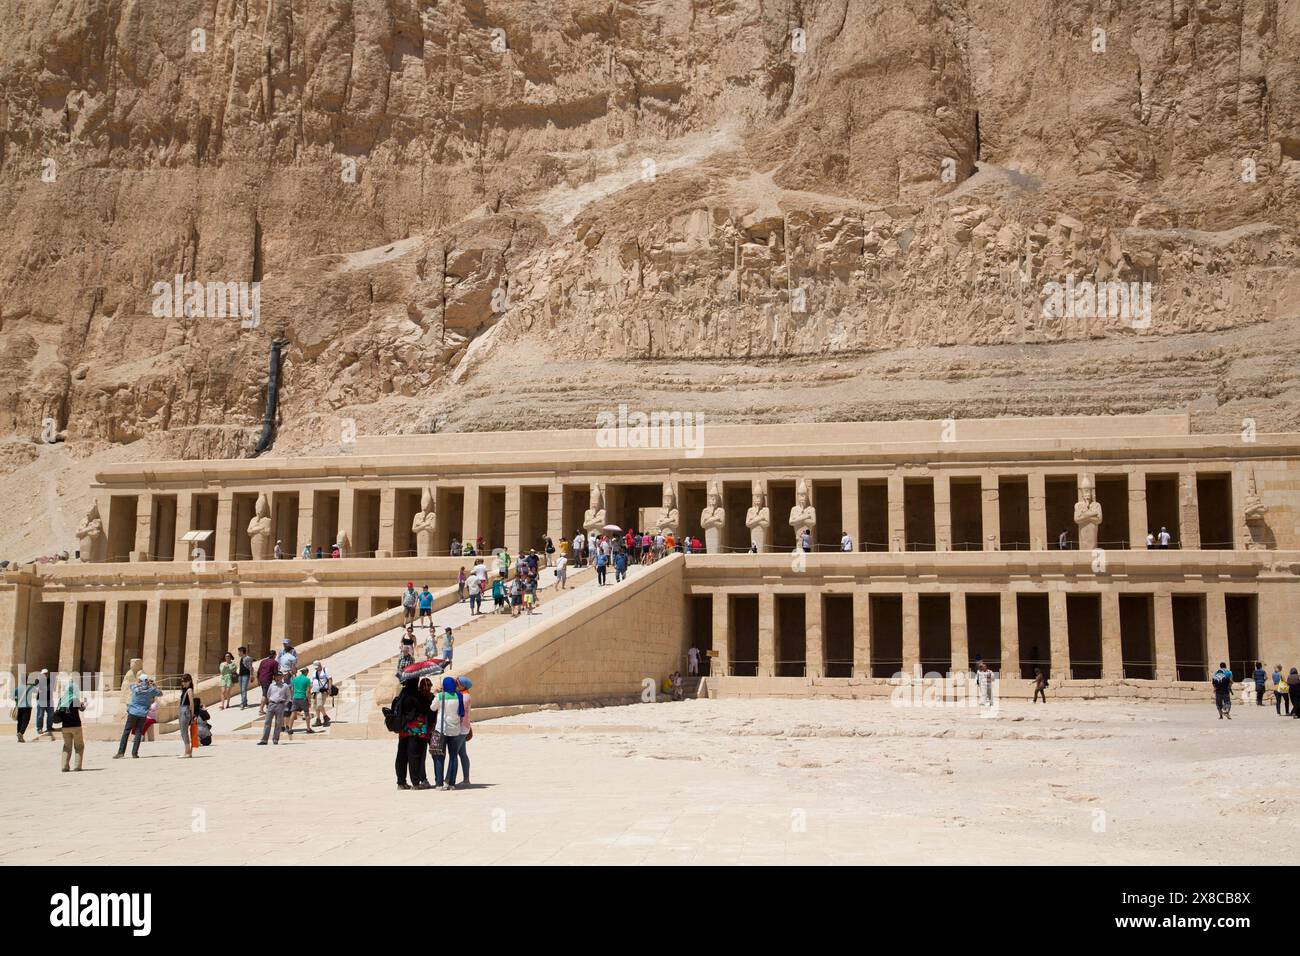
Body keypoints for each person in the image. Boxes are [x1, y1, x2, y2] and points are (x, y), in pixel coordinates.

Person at [394, 677, 434, 789]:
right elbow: (425, 709)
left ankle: (401, 782)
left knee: (402, 755)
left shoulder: (403, 693)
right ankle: (416, 783)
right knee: (414, 755)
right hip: (416, 729)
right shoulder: (416, 695)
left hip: (403, 728)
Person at [115, 673, 163, 758]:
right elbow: (160, 693)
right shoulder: (151, 690)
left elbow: (132, 686)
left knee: (126, 732)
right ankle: (134, 753)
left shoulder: (135, 688)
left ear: (140, 680)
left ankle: (121, 752)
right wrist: (154, 685)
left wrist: (140, 683)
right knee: (138, 733)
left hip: (133, 712)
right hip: (142, 714)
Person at [434, 676, 467, 790]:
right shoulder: (459, 695)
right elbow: (461, 712)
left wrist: (437, 695)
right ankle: (451, 783)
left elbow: (432, 708)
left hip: (441, 729)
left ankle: (439, 783)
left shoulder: (440, 696)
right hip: (454, 729)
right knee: (453, 756)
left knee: (439, 756)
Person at [57, 677, 86, 772]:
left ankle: (64, 766)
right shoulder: (75, 699)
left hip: (65, 726)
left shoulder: (62, 699)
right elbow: (82, 709)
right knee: (79, 746)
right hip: (76, 725)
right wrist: (84, 704)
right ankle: (77, 766)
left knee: (66, 746)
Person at [258, 672, 290, 745]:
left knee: (278, 723)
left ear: (282, 677)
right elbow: (268, 695)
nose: (277, 678)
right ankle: (264, 740)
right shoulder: (272, 685)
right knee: (267, 722)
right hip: (271, 704)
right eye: (276, 676)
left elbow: (288, 697)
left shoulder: (285, 686)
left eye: (279, 676)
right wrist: (270, 702)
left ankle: (275, 739)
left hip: (280, 705)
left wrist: (283, 704)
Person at [455, 677, 474, 787]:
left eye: (458, 683)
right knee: (462, 753)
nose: (456, 685)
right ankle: (466, 778)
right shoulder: (464, 694)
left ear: (463, 685)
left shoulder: (464, 696)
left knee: (454, 754)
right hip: (464, 727)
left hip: (462, 728)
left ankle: (449, 778)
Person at [287, 667, 315, 735]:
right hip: (303, 698)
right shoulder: (307, 680)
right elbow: (308, 691)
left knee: (293, 713)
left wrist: (293, 697)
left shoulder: (295, 679)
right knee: (306, 713)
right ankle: (308, 729)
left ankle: (290, 729)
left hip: (295, 698)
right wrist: (309, 700)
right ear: (306, 672)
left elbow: (292, 689)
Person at [13, 674, 37, 742]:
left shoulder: (17, 688)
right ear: (27, 680)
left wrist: (17, 701)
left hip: (19, 707)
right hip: (27, 707)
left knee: (19, 721)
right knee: (25, 721)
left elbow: (13, 697)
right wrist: (35, 684)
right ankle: (21, 733)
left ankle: (18, 734)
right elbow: (37, 691)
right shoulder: (29, 687)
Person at [177, 673, 197, 757]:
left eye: (185, 681)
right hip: (182, 710)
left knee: (184, 732)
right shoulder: (184, 690)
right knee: (183, 732)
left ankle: (187, 752)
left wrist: (192, 715)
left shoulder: (189, 690)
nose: (183, 683)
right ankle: (188, 751)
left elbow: (191, 704)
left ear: (189, 681)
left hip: (185, 711)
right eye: (182, 681)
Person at [311, 661, 332, 728]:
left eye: (317, 667)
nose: (316, 669)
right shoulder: (314, 672)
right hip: (315, 691)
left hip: (322, 691)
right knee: (315, 706)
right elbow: (312, 681)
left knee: (319, 705)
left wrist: (329, 688)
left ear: (320, 665)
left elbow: (330, 679)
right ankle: (318, 719)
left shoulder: (325, 670)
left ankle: (325, 717)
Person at [257, 649, 278, 715]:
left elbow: (259, 671)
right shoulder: (274, 662)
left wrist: (258, 680)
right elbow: (275, 673)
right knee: (265, 695)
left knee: (267, 694)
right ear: (274, 655)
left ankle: (269, 708)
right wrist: (277, 681)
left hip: (261, 679)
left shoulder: (263, 661)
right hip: (267, 679)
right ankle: (261, 709)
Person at [35, 668, 54, 737]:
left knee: (51, 714)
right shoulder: (37, 680)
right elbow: (37, 689)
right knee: (40, 715)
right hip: (41, 700)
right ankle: (39, 728)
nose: (45, 675)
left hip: (49, 700)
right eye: (44, 673)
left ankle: (49, 727)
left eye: (46, 673)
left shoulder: (49, 680)